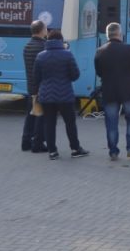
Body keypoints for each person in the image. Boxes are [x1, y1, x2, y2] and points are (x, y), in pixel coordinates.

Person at [33, 30, 88, 159]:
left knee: (49, 123)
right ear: (61, 40)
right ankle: (75, 149)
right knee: (70, 123)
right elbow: (75, 75)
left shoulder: (40, 56)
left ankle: (52, 152)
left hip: (46, 96)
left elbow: (36, 77)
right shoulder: (67, 55)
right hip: (65, 96)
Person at [94, 22, 130, 160]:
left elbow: (99, 72)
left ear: (107, 35)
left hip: (109, 91)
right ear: (120, 34)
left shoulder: (100, 51)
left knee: (111, 122)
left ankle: (113, 152)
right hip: (128, 91)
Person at [21, 20, 48, 152]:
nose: (47, 31)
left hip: (30, 86)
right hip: (40, 87)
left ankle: (25, 141)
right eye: (46, 28)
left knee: (30, 115)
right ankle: (38, 143)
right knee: (39, 116)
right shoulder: (43, 47)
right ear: (41, 30)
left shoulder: (27, 46)